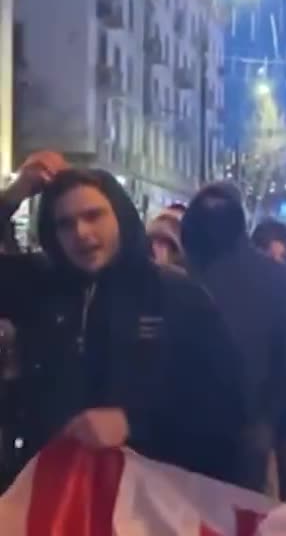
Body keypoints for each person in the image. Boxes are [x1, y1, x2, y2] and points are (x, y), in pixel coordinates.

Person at [0, 152, 247, 484]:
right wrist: (13, 195)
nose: (82, 232)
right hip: (50, 493)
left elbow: (226, 406)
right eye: (65, 223)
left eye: (93, 216)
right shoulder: (39, 286)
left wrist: (133, 423)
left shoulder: (175, 296)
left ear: (119, 215)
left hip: (146, 502)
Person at [181, 182, 286, 494]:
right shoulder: (179, 275)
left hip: (244, 428)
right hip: (210, 426)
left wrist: (266, 418)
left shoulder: (183, 275)